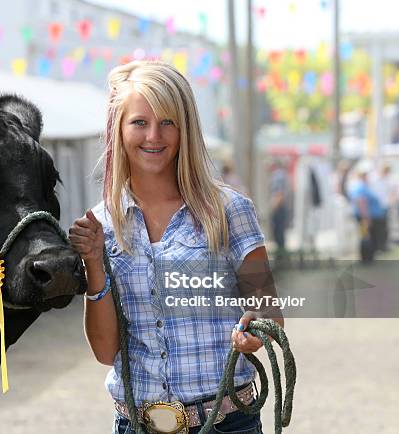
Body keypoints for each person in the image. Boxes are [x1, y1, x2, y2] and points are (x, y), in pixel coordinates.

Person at [69, 61, 283, 434]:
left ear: (186, 129)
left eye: (168, 121)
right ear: (117, 130)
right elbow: (106, 352)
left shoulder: (230, 211)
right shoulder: (102, 226)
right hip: (136, 424)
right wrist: (94, 264)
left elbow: (269, 311)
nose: (154, 135)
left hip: (227, 423)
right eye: (139, 122)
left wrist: (254, 333)